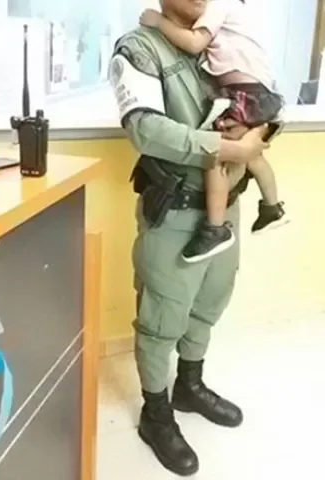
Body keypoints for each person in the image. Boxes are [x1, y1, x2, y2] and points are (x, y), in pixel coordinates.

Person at [109, 0, 276, 476]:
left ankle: (189, 385)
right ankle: (156, 413)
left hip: (225, 207)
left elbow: (261, 98)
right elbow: (144, 130)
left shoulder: (220, 41)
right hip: (177, 211)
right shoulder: (139, 47)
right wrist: (226, 148)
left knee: (210, 303)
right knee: (163, 317)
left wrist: (259, 133)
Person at [140, 0, 288, 263]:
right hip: (257, 93)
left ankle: (215, 229)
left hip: (245, 94)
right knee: (245, 152)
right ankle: (272, 206)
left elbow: (194, 43)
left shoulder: (218, 11)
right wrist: (246, 142)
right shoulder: (142, 45)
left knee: (217, 153)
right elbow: (145, 129)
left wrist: (158, 21)